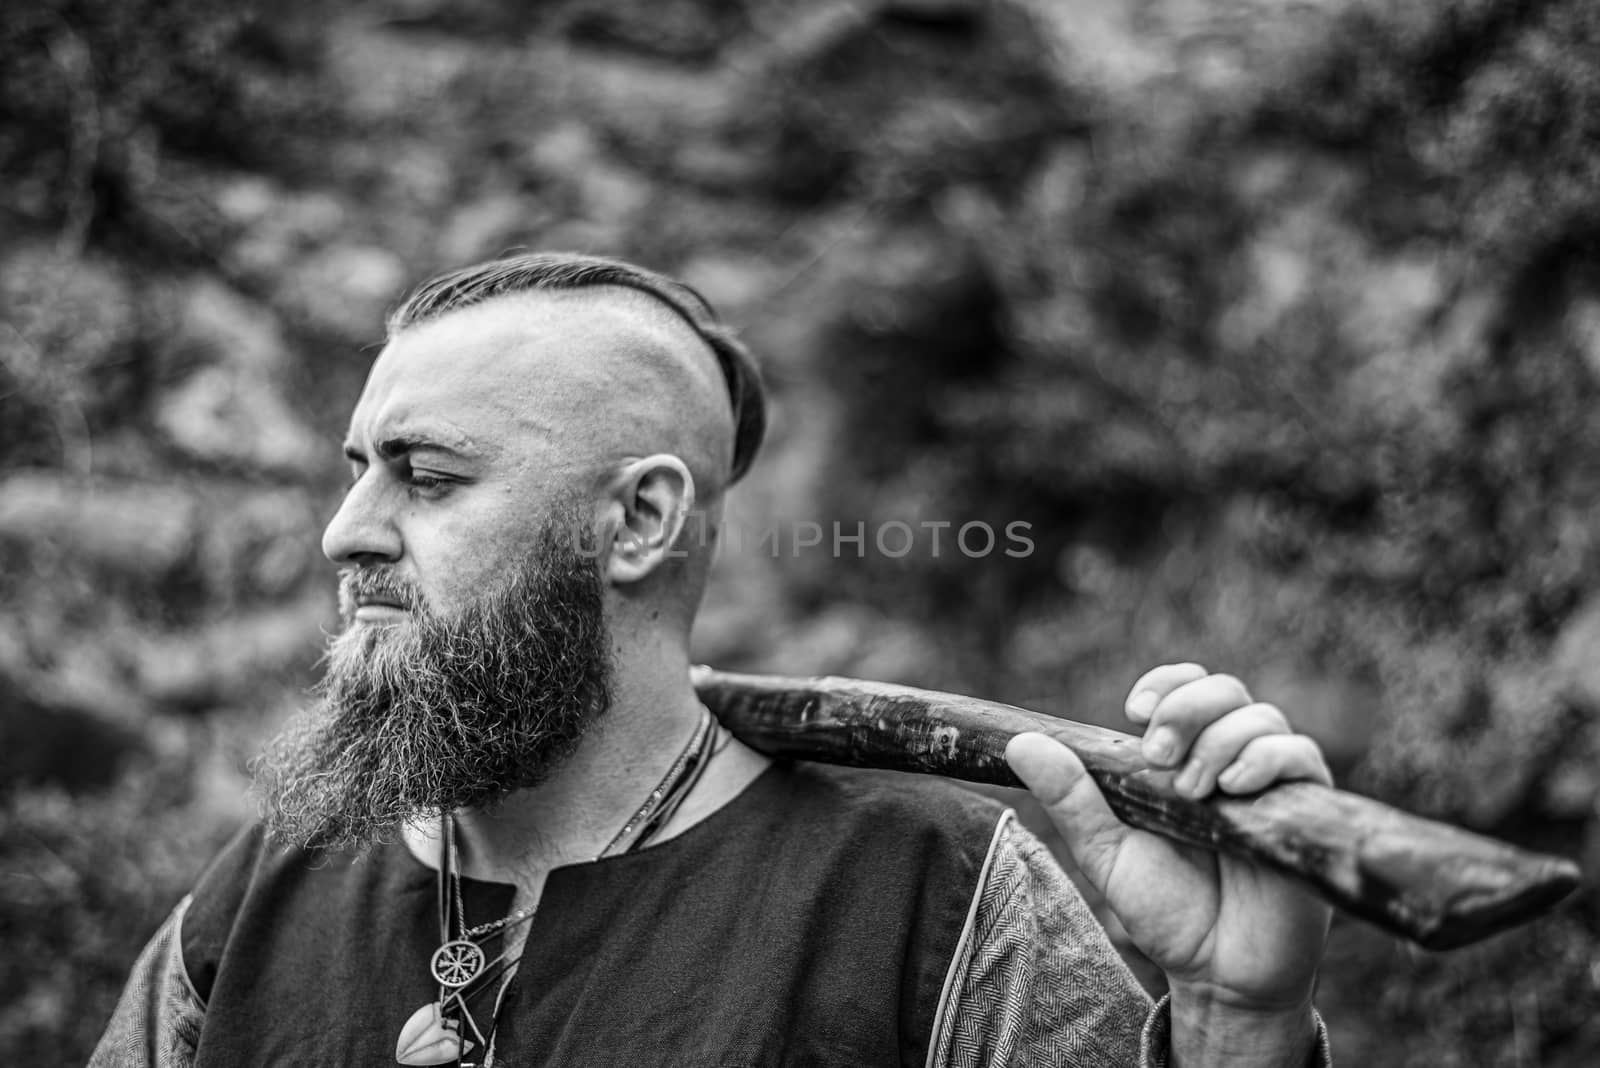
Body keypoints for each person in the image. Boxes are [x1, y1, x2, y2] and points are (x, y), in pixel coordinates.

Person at [90, 253, 1335, 1067]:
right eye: (354, 469)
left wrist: (1236, 1028)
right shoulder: (266, 884)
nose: (345, 531)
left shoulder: (925, 891)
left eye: (426, 476)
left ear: (639, 523)